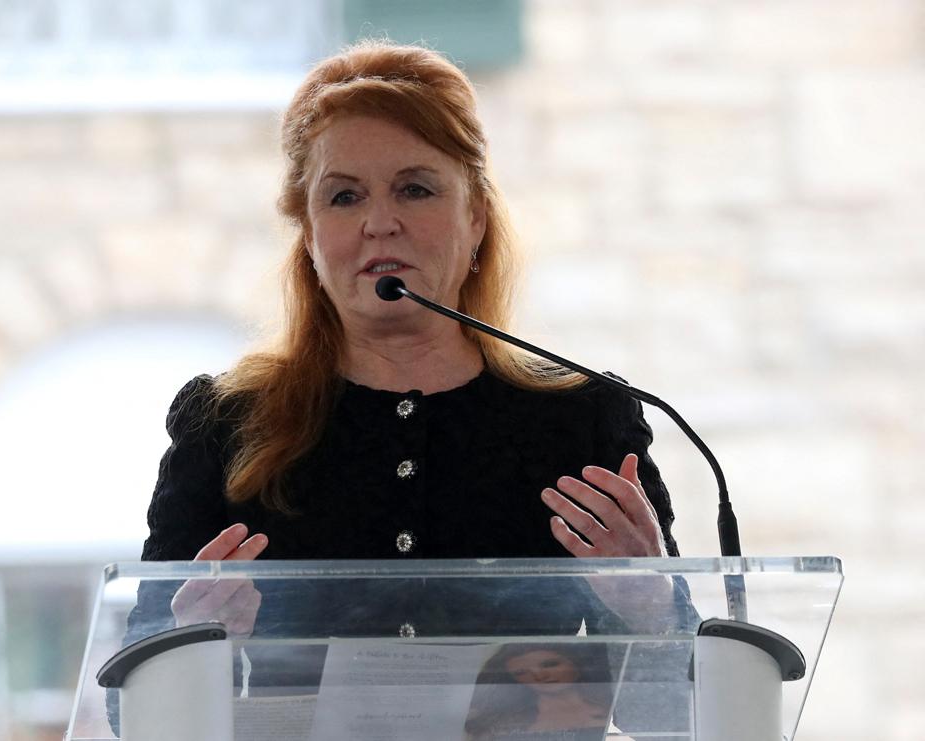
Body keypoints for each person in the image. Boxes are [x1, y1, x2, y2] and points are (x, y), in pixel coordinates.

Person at [131, 38, 683, 644]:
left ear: (475, 218)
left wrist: (651, 607)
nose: (379, 222)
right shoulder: (225, 422)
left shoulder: (584, 417)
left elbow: (671, 710)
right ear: (310, 238)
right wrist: (189, 647)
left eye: (415, 188)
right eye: (344, 196)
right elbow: (130, 711)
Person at [464, 643, 618, 740]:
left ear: (576, 664)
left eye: (550, 664)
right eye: (522, 672)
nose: (540, 676)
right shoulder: (501, 722)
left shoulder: (616, 708)